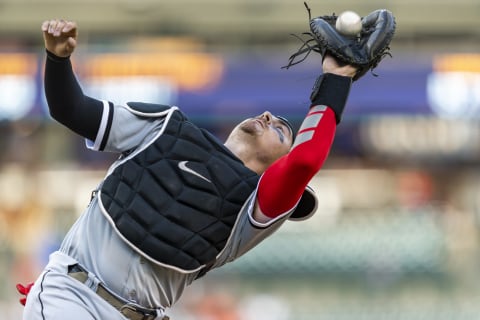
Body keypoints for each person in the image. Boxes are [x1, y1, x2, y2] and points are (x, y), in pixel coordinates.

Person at [20, 18, 358, 320]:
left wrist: (336, 80)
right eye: (272, 117)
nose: (269, 118)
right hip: (72, 296)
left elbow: (304, 161)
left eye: (282, 131)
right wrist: (58, 59)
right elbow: (71, 110)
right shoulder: (165, 126)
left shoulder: (249, 210)